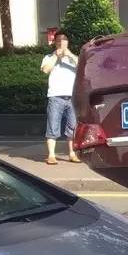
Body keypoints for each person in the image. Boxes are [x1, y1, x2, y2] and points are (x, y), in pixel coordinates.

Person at [40, 32, 80, 165]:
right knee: (53, 125)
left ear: (68, 43)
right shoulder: (49, 57)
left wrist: (69, 55)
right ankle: (51, 155)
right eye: (59, 41)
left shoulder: (72, 58)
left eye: (64, 40)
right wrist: (56, 57)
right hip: (55, 96)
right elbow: (45, 70)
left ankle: (72, 153)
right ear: (55, 43)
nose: (62, 43)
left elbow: (82, 67)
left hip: (72, 97)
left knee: (73, 126)